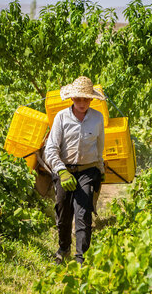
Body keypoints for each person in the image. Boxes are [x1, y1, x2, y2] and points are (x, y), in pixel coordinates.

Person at [44, 76, 105, 265]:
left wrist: (100, 170)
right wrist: (62, 171)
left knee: (83, 213)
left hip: (88, 170)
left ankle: (81, 257)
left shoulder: (97, 118)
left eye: (86, 99)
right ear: (71, 99)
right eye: (78, 99)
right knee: (63, 211)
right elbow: (51, 149)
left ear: (91, 99)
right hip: (64, 169)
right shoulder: (62, 118)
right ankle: (63, 248)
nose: (82, 103)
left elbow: (100, 146)